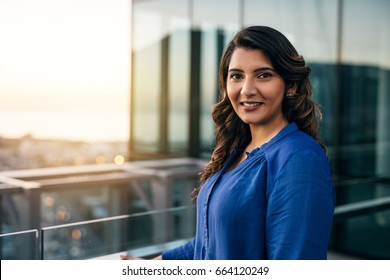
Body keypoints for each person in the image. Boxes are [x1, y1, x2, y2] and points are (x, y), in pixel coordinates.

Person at [121, 25, 335, 260]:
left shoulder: (298, 158)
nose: (247, 89)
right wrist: (152, 264)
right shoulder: (239, 151)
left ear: (290, 85)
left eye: (264, 75)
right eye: (237, 76)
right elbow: (212, 240)